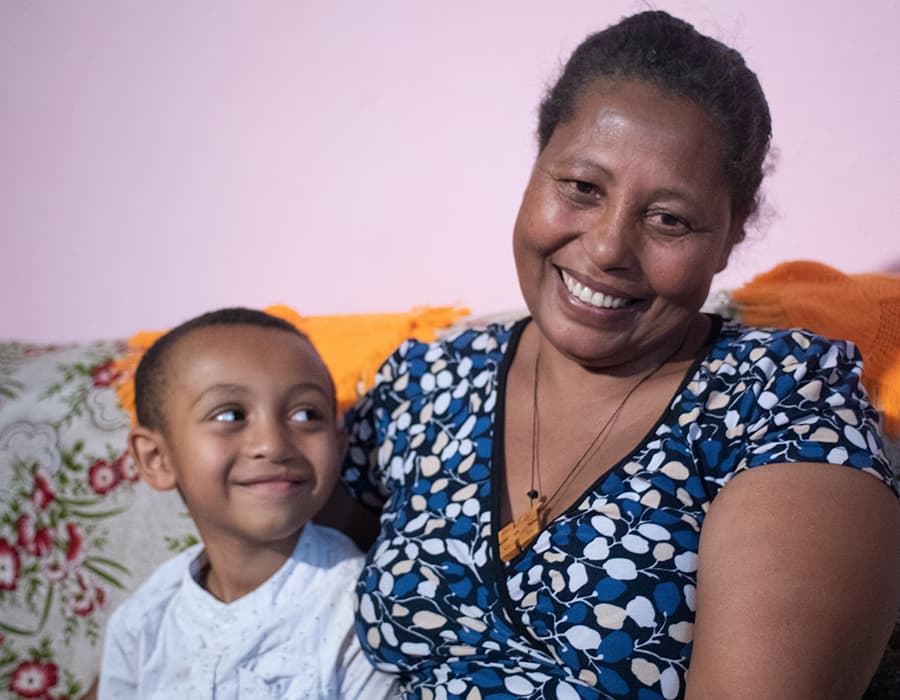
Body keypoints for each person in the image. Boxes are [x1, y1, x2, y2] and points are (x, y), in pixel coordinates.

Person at [328, 10, 900, 699]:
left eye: (669, 219)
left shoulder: (778, 403)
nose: (605, 249)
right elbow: (270, 573)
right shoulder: (427, 383)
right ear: (536, 167)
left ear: (730, 235)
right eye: (581, 188)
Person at [97, 308, 397, 699]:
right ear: (157, 458)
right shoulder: (147, 617)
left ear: (339, 447)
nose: (272, 444)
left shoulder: (363, 610)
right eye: (230, 415)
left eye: (306, 414)